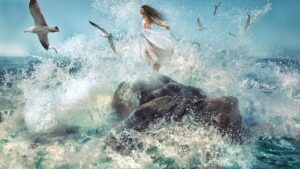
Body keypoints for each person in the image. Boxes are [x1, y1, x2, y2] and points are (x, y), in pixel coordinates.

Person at [140, 5, 174, 74]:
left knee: (151, 56)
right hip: (145, 39)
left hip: (149, 39)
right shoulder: (144, 18)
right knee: (147, 56)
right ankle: (154, 72)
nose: (140, 10)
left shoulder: (148, 18)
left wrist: (164, 26)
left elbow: (156, 22)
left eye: (141, 9)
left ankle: (155, 73)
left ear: (145, 10)